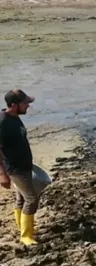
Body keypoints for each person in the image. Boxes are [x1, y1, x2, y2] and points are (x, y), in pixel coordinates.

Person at [0, 90, 39, 246]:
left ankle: (21, 226)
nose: (28, 106)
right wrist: (2, 174)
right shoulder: (2, 122)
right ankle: (26, 235)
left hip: (24, 165)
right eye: (25, 103)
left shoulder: (15, 117)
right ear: (14, 105)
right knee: (32, 199)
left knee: (21, 198)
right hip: (15, 168)